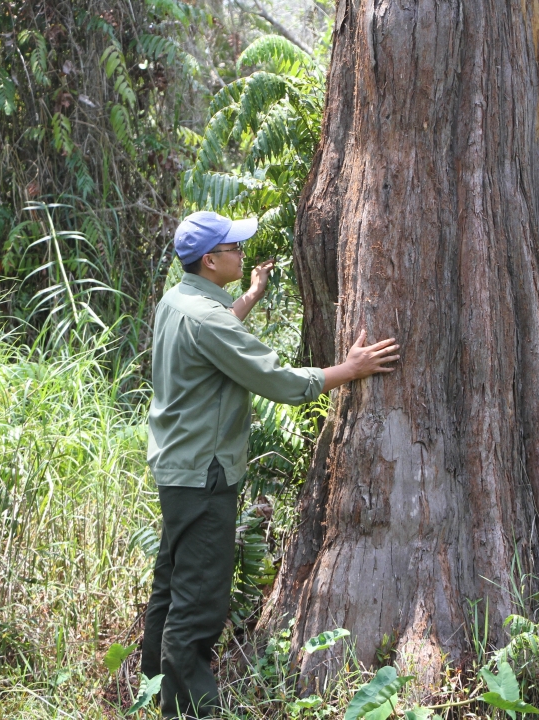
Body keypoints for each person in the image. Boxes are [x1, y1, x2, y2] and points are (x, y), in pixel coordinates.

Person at [140, 210, 400, 718]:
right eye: (234, 248)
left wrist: (251, 295)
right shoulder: (206, 318)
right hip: (205, 477)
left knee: (170, 588)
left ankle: (152, 696)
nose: (242, 254)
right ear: (211, 260)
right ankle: (189, 713)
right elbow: (277, 381)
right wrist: (349, 369)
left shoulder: (180, 302)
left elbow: (212, 338)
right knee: (198, 607)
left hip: (178, 469)